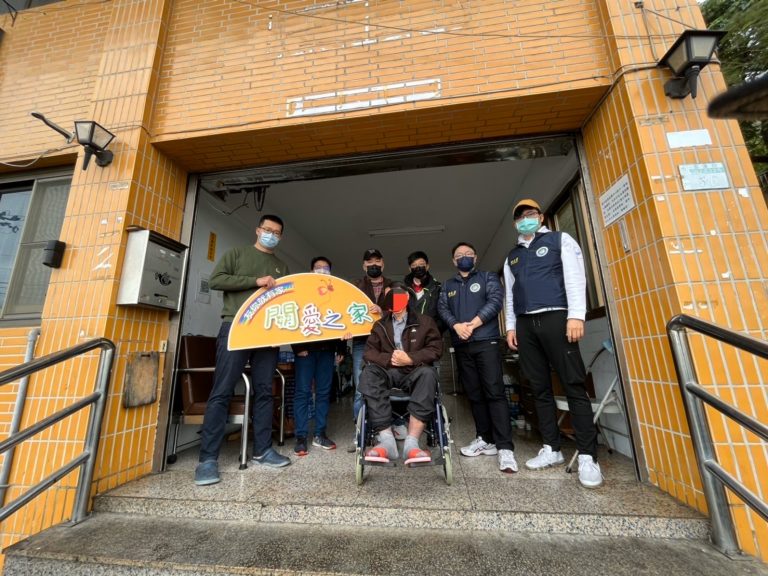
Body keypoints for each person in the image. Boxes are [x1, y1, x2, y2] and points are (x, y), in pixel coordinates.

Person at [503, 198, 602, 488]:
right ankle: (551, 448)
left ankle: (588, 456)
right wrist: (510, 326)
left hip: (557, 317)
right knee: (539, 387)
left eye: (530, 214)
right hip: (525, 323)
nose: (525, 219)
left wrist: (576, 316)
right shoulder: (512, 256)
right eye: (520, 216)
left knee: (573, 384)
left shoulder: (560, 240)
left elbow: (575, 278)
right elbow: (511, 295)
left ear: (541, 216)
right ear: (515, 224)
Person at [194, 214, 291, 486]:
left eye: (276, 232)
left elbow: (284, 300)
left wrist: (282, 332)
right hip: (236, 328)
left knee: (265, 391)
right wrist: (255, 281)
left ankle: (263, 450)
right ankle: (207, 460)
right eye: (267, 229)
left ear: (280, 237)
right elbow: (217, 280)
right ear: (258, 230)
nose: (271, 235)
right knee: (222, 390)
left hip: (267, 333)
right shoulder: (236, 254)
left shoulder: (281, 266)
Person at [438, 242, 517, 474]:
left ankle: (505, 447)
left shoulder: (488, 277)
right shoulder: (448, 285)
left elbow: (495, 302)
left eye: (468, 254)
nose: (464, 257)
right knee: (474, 394)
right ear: (453, 261)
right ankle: (485, 439)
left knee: (494, 392)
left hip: (486, 342)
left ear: (475, 257)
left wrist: (472, 324)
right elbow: (443, 309)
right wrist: (456, 326)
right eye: (459, 255)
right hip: (462, 344)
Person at [358, 282, 443, 465]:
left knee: (428, 374)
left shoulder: (425, 322)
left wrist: (410, 358)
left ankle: (411, 443)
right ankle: (387, 441)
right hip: (388, 372)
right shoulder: (380, 325)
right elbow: (369, 352)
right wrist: (391, 359)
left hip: (415, 371)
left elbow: (435, 349)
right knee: (368, 373)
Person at [290, 257, 346, 456]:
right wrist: (297, 347)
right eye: (318, 267)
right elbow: (294, 318)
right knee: (302, 393)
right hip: (305, 350)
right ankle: (300, 437)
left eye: (326, 268)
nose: (322, 270)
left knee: (323, 393)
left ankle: (320, 434)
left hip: (327, 350)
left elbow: (342, 321)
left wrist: (341, 349)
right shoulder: (301, 292)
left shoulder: (336, 293)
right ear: (311, 271)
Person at [346, 248, 393, 452]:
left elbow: (401, 310)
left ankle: (384, 431)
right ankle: (360, 434)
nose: (373, 265)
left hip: (386, 343)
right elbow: (345, 311)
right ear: (364, 266)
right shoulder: (355, 286)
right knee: (360, 389)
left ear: (383, 263)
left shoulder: (393, 285)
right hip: (361, 343)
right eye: (369, 262)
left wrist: (382, 311)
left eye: (377, 261)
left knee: (385, 386)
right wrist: (346, 329)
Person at [403, 250, 444, 331]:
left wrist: (433, 331)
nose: (418, 267)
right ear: (410, 269)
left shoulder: (438, 288)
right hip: (408, 334)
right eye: (414, 265)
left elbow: (443, 314)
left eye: (421, 264)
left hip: (430, 334)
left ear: (427, 266)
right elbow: (396, 314)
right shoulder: (401, 288)